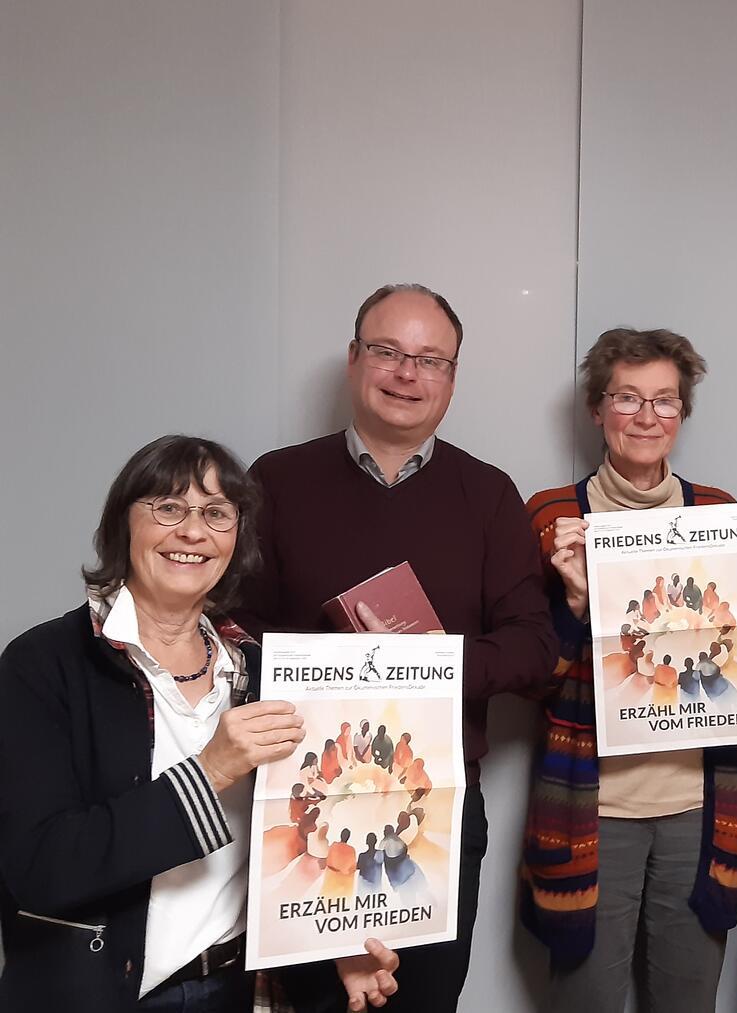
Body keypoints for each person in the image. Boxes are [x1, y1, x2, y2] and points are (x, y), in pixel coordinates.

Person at [237, 283, 557, 1010]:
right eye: (387, 351)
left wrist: (423, 664)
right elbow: (230, 634)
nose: (406, 373)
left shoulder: (488, 493)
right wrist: (332, 664)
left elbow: (534, 648)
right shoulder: (275, 480)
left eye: (429, 359)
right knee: (315, 1000)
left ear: (451, 378)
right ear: (354, 360)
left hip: (435, 806)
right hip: (301, 806)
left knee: (425, 999)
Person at [0, 436, 397, 1011]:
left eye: (216, 513)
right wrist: (209, 772)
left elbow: (297, 845)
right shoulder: (43, 664)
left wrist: (334, 944)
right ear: (122, 524)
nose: (192, 532)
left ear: (237, 539)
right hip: (105, 995)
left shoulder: (260, 670)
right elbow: (38, 868)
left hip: (239, 990)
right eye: (167, 508)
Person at [520, 327, 737, 1013]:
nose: (646, 417)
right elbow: (532, 678)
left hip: (699, 808)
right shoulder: (554, 517)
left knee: (686, 1000)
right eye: (627, 398)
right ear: (596, 409)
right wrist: (576, 602)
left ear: (683, 412)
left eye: (665, 401)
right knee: (584, 998)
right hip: (593, 806)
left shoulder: (717, 513)